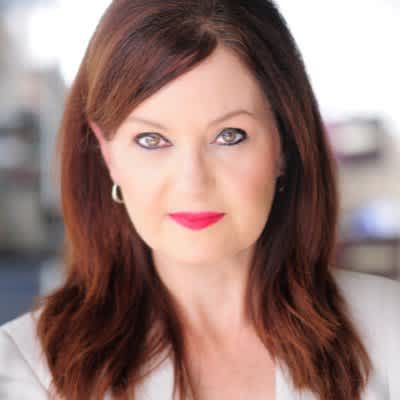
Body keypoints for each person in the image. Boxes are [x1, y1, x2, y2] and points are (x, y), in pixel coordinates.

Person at [1, 0, 399, 399]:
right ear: (108, 153)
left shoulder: (389, 330)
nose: (193, 183)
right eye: (152, 139)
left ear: (284, 143)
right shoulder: (25, 369)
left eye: (229, 136)